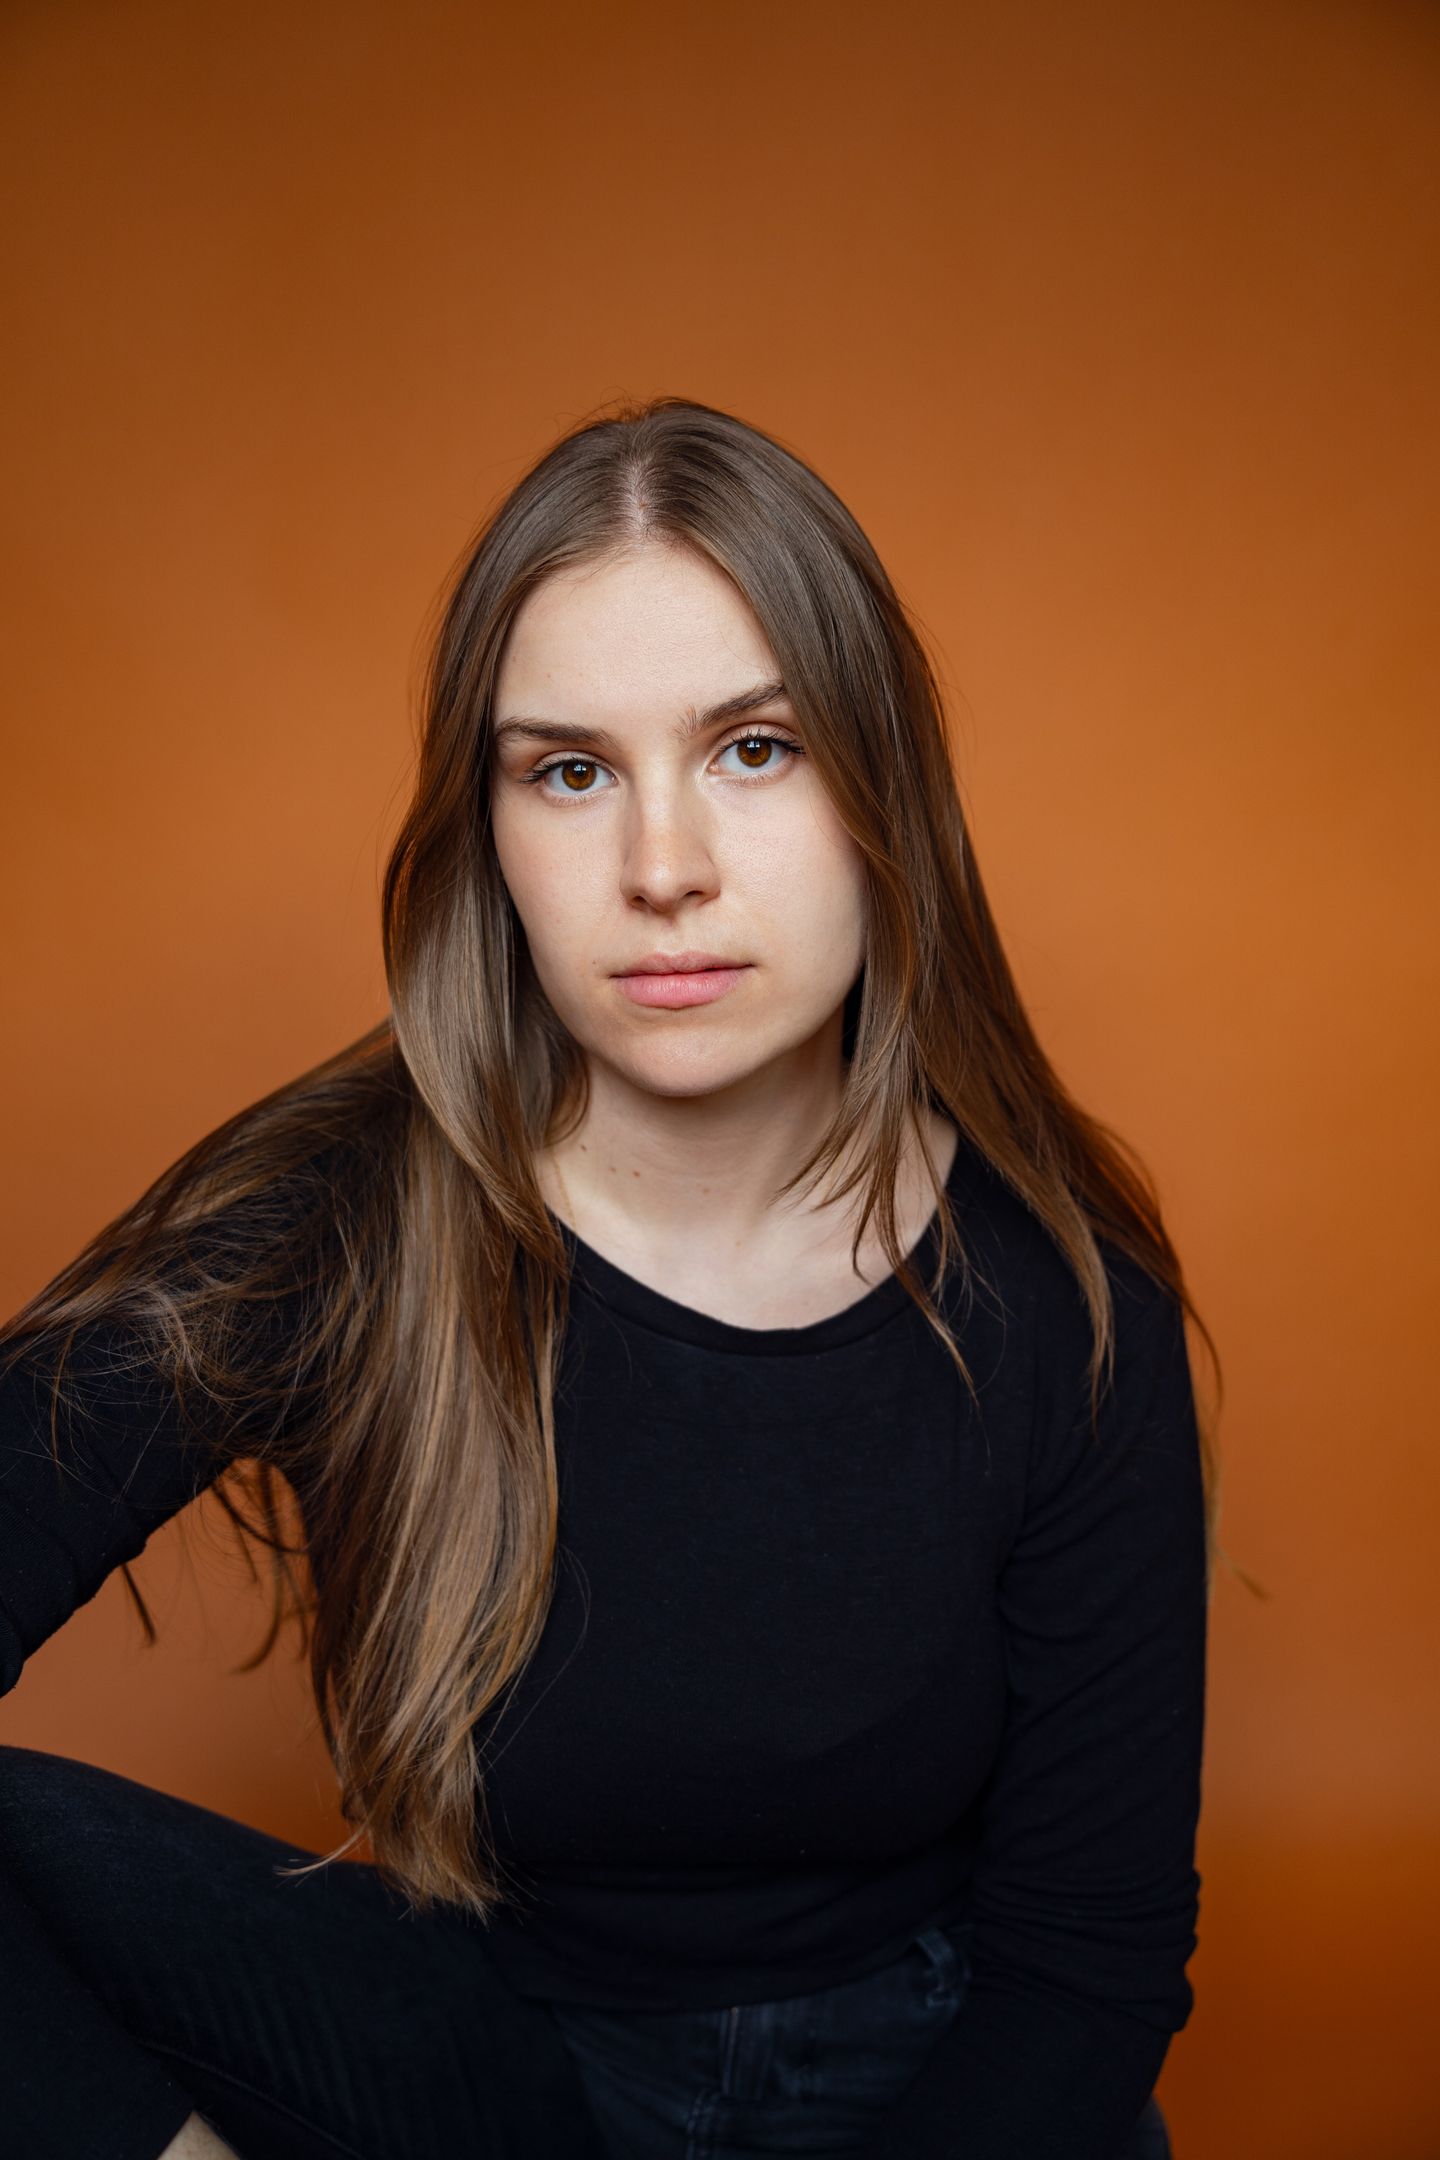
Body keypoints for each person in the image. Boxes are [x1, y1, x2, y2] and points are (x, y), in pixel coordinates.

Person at [0, 396, 1215, 2160]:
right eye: (569, 771)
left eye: (755, 749)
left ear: (884, 789)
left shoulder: (1062, 1296)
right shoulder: (338, 1223)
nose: (664, 870)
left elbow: (1086, 1974)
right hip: (482, 2071)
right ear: (487, 828)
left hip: (944, 2081)